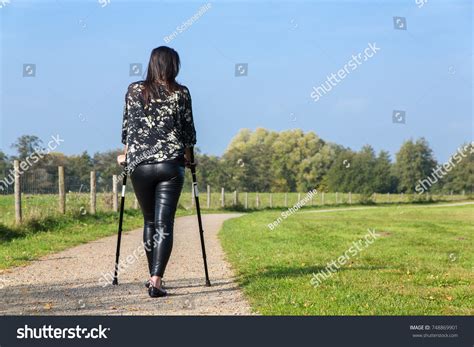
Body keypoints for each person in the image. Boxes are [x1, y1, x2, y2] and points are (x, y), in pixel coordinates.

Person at [117, 46, 197, 298]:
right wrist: (190, 160)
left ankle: (153, 277)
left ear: (152, 64)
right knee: (164, 223)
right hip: (170, 165)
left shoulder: (133, 90)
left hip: (139, 165)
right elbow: (188, 134)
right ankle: (156, 279)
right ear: (173, 65)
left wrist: (126, 155)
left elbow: (128, 128)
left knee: (150, 221)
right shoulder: (180, 93)